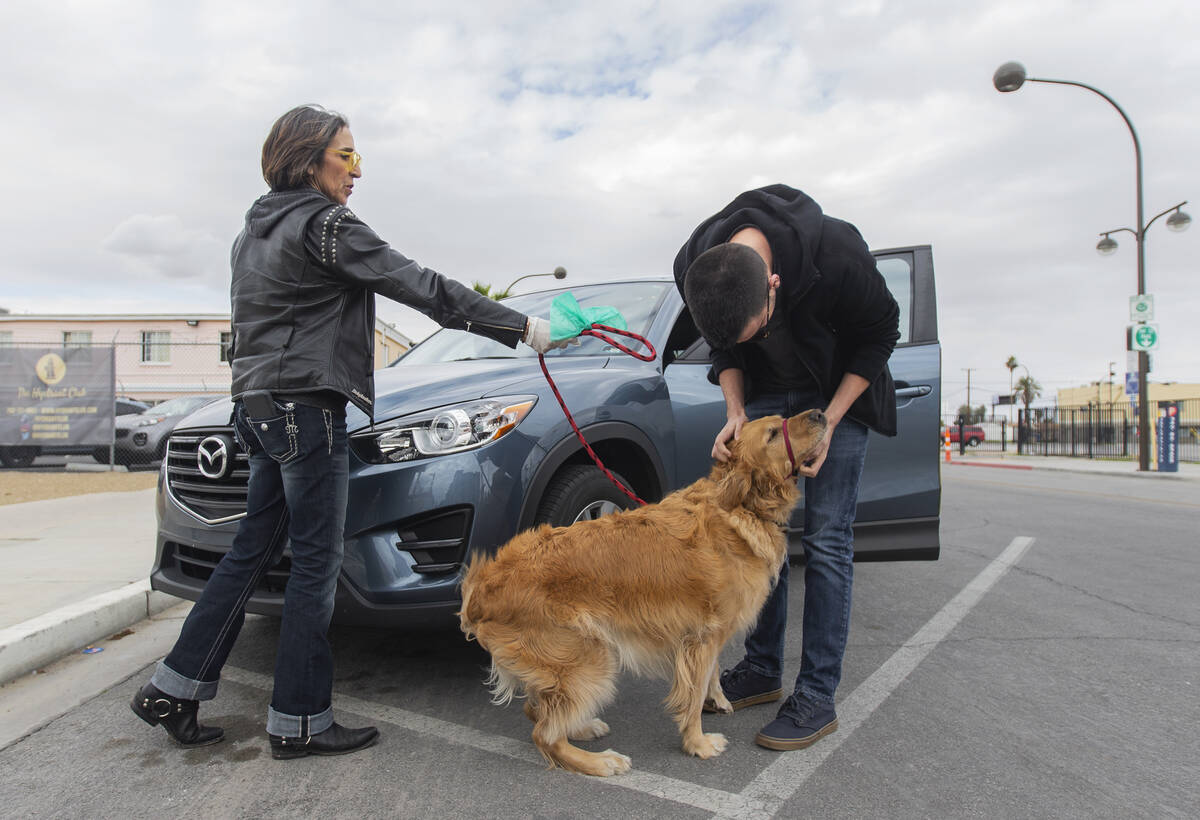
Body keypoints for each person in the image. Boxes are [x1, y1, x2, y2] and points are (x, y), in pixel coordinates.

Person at [131, 104, 572, 759]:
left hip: (256, 406)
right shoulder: (326, 223)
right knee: (314, 564)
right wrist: (519, 327)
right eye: (348, 155)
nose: (357, 170)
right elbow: (420, 286)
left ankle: (175, 686)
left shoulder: (251, 233)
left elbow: (250, 330)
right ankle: (300, 721)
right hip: (307, 408)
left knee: (251, 553)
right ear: (310, 160)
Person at [673, 184, 899, 751]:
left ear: (775, 285)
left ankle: (817, 695)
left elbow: (879, 337)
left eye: (759, 327)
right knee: (755, 535)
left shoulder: (837, 254)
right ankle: (761, 669)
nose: (759, 337)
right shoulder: (693, 265)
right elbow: (725, 348)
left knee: (825, 541)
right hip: (768, 394)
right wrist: (736, 410)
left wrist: (834, 419)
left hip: (834, 389)